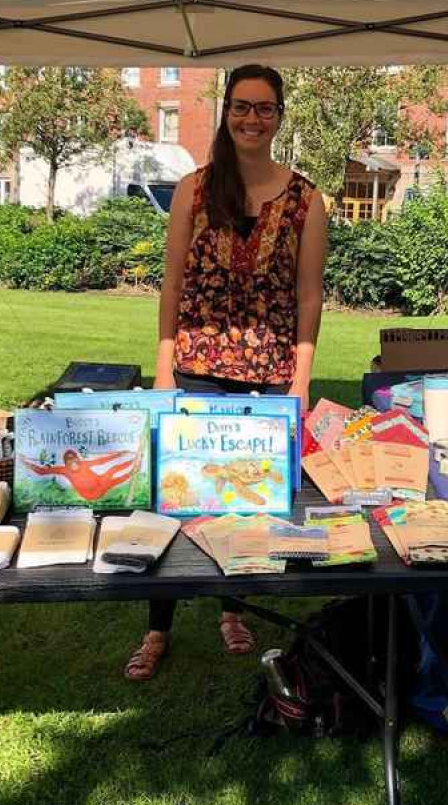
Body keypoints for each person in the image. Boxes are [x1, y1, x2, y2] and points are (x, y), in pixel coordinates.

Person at [124, 64, 327, 681]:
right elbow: (174, 283)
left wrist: (300, 380)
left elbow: (309, 297)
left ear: (279, 116)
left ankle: (232, 609)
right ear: (226, 112)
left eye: (264, 108)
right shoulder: (193, 189)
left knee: (247, 505)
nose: (251, 118)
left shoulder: (305, 200)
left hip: (266, 375)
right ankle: (158, 626)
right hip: (196, 368)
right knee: (178, 500)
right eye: (241, 106)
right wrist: (164, 369)